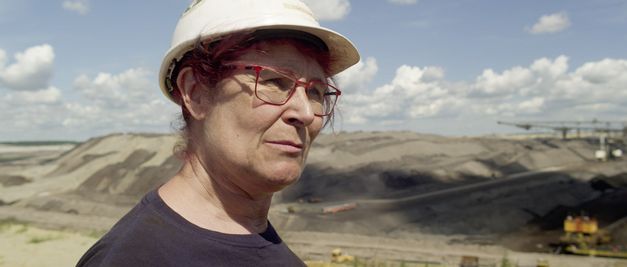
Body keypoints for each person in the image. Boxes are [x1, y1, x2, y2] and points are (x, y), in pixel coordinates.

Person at [76, 0, 359, 266]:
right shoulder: (133, 258)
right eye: (274, 81)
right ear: (196, 93)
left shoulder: (261, 242)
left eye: (315, 92)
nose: (306, 113)